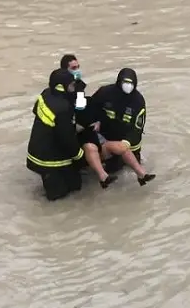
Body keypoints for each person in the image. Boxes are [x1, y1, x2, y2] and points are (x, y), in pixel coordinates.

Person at [26, 68, 87, 201]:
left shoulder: (46, 94)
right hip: (49, 161)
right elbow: (67, 139)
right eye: (71, 85)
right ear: (61, 87)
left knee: (75, 185)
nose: (73, 87)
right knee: (59, 197)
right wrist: (81, 157)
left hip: (37, 150)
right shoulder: (63, 108)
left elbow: (36, 110)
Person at [59, 53, 118, 189]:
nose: (77, 70)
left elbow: (81, 107)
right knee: (91, 145)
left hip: (82, 126)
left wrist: (95, 121)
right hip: (70, 129)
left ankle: (104, 175)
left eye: (78, 67)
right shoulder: (62, 89)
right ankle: (102, 175)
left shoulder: (78, 87)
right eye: (74, 68)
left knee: (96, 142)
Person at [90, 68, 156, 186]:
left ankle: (141, 174)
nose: (128, 86)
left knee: (128, 161)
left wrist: (127, 142)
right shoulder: (105, 93)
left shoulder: (138, 101)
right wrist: (96, 120)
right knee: (114, 169)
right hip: (106, 138)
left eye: (131, 83)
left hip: (128, 141)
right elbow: (90, 107)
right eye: (125, 83)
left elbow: (138, 128)